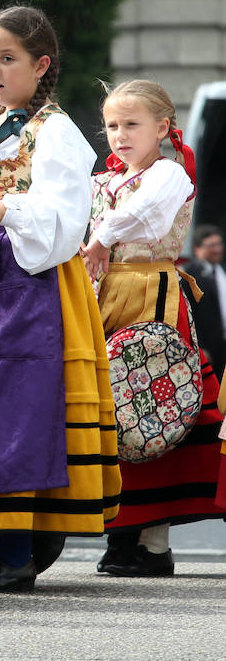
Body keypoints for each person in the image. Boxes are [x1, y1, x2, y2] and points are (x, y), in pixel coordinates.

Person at [0, 5, 120, 593]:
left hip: (28, 283)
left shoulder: (57, 132)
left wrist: (1, 211)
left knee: (12, 402)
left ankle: (16, 547)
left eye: (7, 58)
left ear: (41, 65)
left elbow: (64, 216)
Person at [82, 80, 225, 577]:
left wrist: (99, 238)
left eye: (131, 125)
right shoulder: (104, 180)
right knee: (112, 410)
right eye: (112, 126)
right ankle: (123, 530)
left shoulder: (168, 173)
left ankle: (151, 538)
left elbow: (143, 215)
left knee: (154, 403)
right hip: (103, 294)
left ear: (162, 128)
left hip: (151, 295)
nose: (118, 135)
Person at [184, 225, 226, 378]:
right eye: (211, 245)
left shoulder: (222, 271)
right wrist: (199, 346)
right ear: (197, 249)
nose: (217, 249)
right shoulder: (189, 276)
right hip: (204, 348)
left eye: (219, 244)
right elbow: (189, 313)